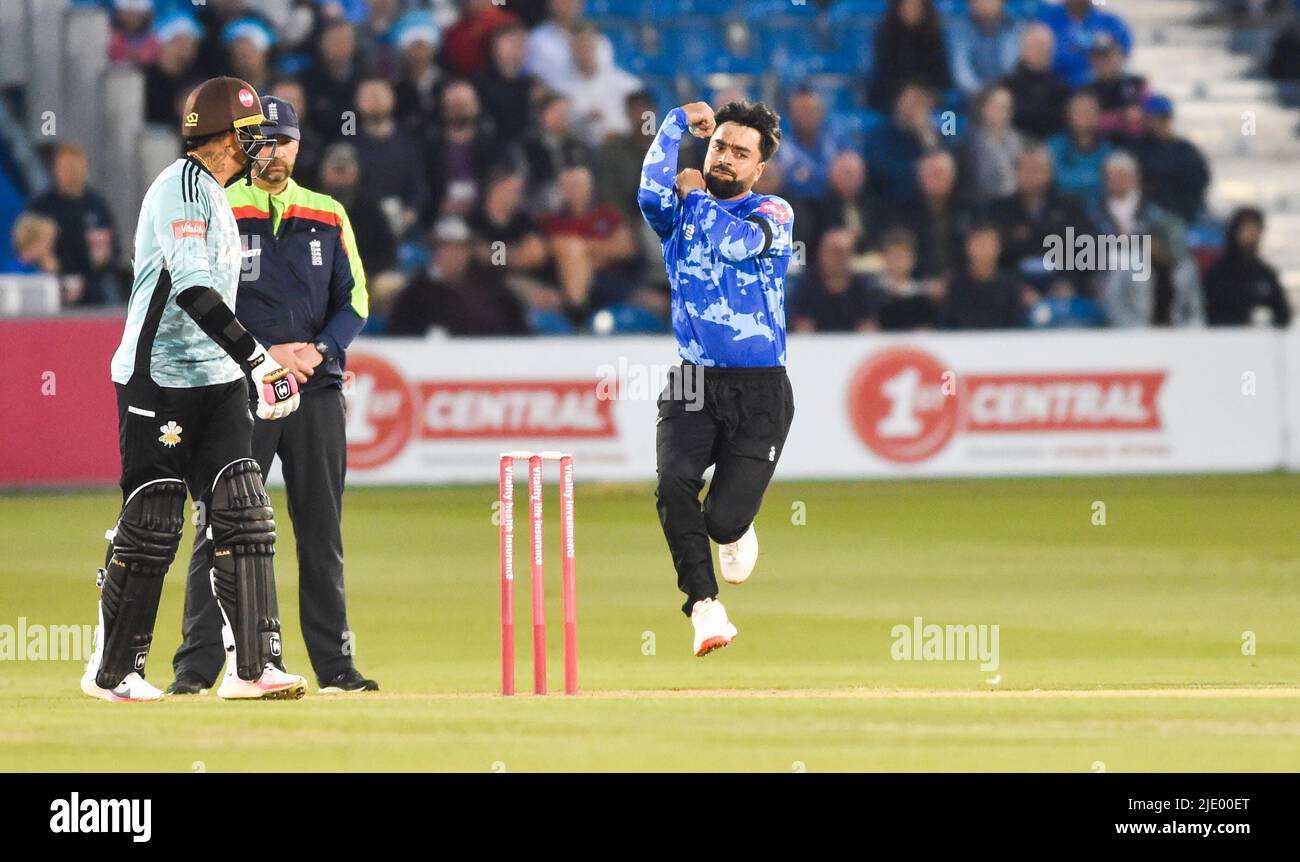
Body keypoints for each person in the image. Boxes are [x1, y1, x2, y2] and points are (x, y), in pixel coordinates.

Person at [81, 76, 305, 703]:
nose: (261, 149)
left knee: (244, 512)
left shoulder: (214, 193)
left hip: (217, 380)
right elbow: (192, 289)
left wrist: (242, 366)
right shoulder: (181, 189)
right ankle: (113, 672)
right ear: (228, 138)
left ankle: (253, 669)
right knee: (154, 518)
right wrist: (260, 360)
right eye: (251, 136)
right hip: (160, 380)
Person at [167, 96, 378, 697]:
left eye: (285, 140)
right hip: (240, 388)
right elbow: (203, 295)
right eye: (264, 141)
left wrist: (316, 353)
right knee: (220, 526)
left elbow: (356, 300)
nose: (275, 151)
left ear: (298, 147)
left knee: (321, 529)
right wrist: (264, 353)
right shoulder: (219, 205)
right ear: (246, 145)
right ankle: (196, 670)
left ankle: (336, 669)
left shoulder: (328, 212)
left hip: (315, 390)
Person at [638, 100, 796, 657]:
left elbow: (734, 246)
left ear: (759, 168)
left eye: (740, 153)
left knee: (724, 520)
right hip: (693, 379)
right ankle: (704, 609)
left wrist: (697, 196)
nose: (725, 159)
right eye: (719, 147)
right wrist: (676, 123)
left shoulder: (774, 213)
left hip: (761, 389)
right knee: (673, 481)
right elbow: (647, 193)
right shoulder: (677, 212)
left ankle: (734, 529)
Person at [1093, 152, 1203, 327]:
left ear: (1135, 178)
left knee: (1185, 270)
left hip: (1150, 274)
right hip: (1108, 275)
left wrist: (1158, 250)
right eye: (1113, 176)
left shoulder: (1156, 215)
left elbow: (1176, 247)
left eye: (1123, 175)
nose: (1118, 181)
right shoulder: (1094, 215)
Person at [388, 217, 529, 336]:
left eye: (460, 248)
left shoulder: (490, 286)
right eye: (447, 248)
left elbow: (517, 325)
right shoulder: (416, 293)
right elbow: (401, 334)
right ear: (436, 251)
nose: (454, 254)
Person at [28, 143, 119, 306]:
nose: (71, 173)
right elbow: (25, 247)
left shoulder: (97, 206)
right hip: (50, 282)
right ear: (56, 170)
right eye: (65, 167)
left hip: (92, 285)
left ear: (85, 169)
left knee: (112, 291)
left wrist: (105, 258)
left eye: (75, 167)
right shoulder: (42, 207)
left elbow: (114, 249)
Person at [1127, 94, 1210, 225]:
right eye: (1154, 118)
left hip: (1182, 213)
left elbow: (1199, 182)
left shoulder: (1186, 150)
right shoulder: (1135, 149)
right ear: (1145, 119)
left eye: (1163, 118)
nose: (1159, 123)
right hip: (1142, 214)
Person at [1203, 207, 1292, 328]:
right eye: (1247, 229)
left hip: (1263, 340)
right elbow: (1209, 311)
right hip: (1224, 339)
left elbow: (1283, 313)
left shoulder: (1266, 274)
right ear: (1235, 231)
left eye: (1256, 230)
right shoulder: (1218, 273)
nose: (1252, 235)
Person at [867, 0, 953, 113]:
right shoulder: (885, 37)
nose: (912, 11)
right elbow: (882, 78)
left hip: (927, 96)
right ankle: (926, 129)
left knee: (925, 108)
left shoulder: (934, 38)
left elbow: (942, 77)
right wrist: (905, 92)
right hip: (893, 98)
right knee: (913, 107)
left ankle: (926, 128)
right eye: (907, 6)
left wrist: (924, 91)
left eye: (917, 7)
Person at [790, 228, 882, 332]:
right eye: (834, 252)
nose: (838, 259)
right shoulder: (807, 285)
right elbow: (803, 327)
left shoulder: (862, 286)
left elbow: (868, 327)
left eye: (844, 253)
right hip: (815, 345)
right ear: (822, 253)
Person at [937, 224, 1027, 329]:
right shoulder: (955, 287)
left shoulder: (1011, 288)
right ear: (968, 247)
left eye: (988, 244)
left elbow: (1017, 328)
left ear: (998, 247)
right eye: (978, 244)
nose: (983, 250)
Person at [1038, 0, 1132, 88]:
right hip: (1053, 91)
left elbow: (1121, 60)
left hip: (1102, 93)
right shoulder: (1046, 22)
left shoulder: (1111, 24)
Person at [1001, 23, 1071, 140]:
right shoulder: (1004, 87)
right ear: (1022, 48)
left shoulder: (1062, 89)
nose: (1041, 51)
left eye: (1046, 47)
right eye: (1036, 46)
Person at [1047, 90, 1113, 206]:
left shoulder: (1108, 150)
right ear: (1068, 115)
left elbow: (1110, 186)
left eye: (1088, 111)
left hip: (1098, 216)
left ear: (1098, 116)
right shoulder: (1052, 147)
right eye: (1078, 112)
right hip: (1064, 216)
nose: (1083, 117)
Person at [947, 0, 1023, 99]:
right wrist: (985, 96)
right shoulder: (958, 28)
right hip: (973, 98)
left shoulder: (1015, 25)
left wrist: (1002, 95)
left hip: (1009, 96)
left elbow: (1012, 68)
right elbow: (962, 72)